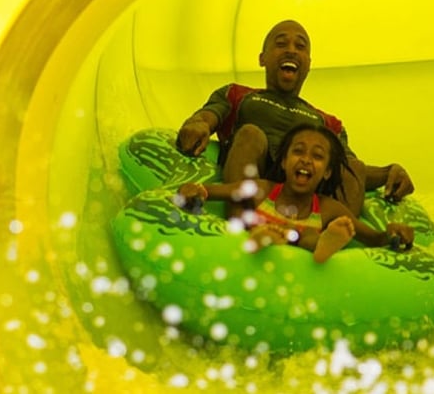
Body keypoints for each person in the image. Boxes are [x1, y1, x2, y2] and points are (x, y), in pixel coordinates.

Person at [176, 19, 414, 218]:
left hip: (307, 191)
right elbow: (206, 117)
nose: (291, 50)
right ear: (262, 58)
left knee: (352, 164)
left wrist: (389, 172)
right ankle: (241, 227)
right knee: (251, 133)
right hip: (256, 176)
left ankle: (334, 240)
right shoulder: (237, 94)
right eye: (281, 44)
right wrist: (198, 123)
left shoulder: (328, 123)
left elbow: (352, 170)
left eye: (300, 46)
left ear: (308, 64)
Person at [176, 124, 415, 263]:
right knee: (254, 224)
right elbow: (214, 191)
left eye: (317, 156)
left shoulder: (328, 208)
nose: (306, 160)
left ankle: (323, 246)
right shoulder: (262, 189)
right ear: (283, 162)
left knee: (310, 237)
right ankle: (266, 237)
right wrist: (196, 190)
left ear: (327, 172)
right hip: (253, 256)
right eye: (298, 151)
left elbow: (372, 238)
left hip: (300, 270)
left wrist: (392, 233)